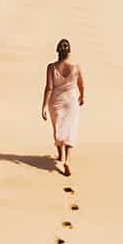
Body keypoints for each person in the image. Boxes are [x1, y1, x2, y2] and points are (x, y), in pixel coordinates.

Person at [41, 38, 85, 176]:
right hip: (71, 100)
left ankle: (60, 155)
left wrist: (43, 106)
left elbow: (49, 88)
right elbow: (81, 84)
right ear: (69, 52)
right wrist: (82, 96)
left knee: (58, 127)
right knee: (70, 128)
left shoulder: (51, 67)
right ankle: (67, 160)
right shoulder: (76, 66)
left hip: (56, 101)